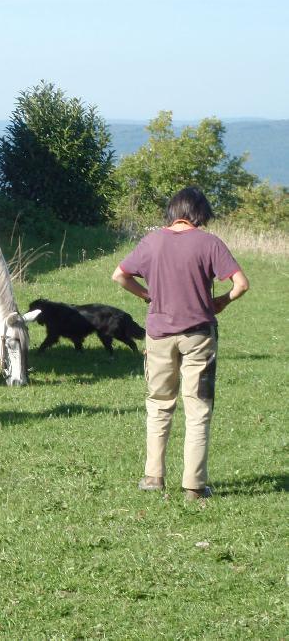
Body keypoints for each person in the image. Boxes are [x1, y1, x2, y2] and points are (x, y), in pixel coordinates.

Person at [112, 186, 249, 500]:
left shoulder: (151, 241)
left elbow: (119, 275)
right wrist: (222, 301)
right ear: (199, 214)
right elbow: (241, 284)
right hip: (199, 334)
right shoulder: (209, 243)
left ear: (173, 212)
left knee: (159, 404)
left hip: (158, 334)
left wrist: (146, 295)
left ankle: (153, 476)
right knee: (197, 408)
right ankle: (194, 485)